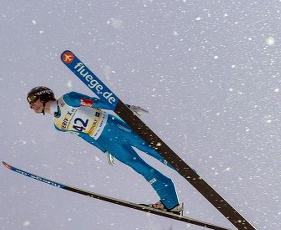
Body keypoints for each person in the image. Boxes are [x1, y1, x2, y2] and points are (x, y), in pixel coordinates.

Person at [26, 86, 183, 215]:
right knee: (142, 168)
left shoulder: (67, 99)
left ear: (42, 97)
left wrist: (125, 109)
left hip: (112, 126)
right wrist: (104, 150)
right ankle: (171, 203)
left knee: (152, 149)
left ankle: (187, 170)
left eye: (32, 102)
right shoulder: (58, 125)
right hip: (106, 141)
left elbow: (96, 103)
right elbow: (84, 136)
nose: (31, 106)